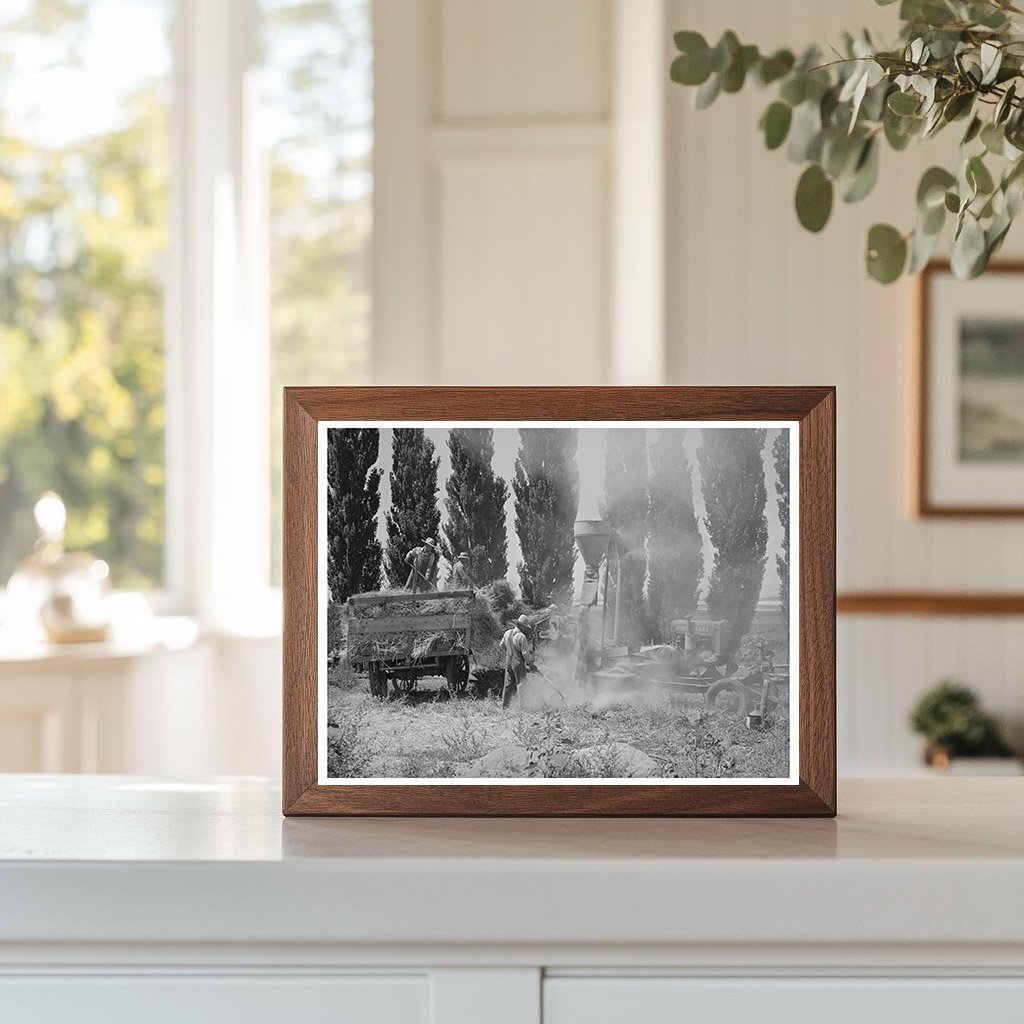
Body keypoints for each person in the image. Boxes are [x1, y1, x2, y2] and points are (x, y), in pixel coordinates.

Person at [501, 614, 535, 709]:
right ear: (522, 626)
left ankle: (504, 707)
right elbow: (525, 653)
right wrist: (530, 664)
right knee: (521, 685)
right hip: (518, 663)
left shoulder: (507, 633)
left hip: (508, 661)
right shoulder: (521, 637)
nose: (525, 630)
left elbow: (502, 645)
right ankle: (522, 707)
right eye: (525, 627)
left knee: (508, 685)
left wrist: (509, 651)